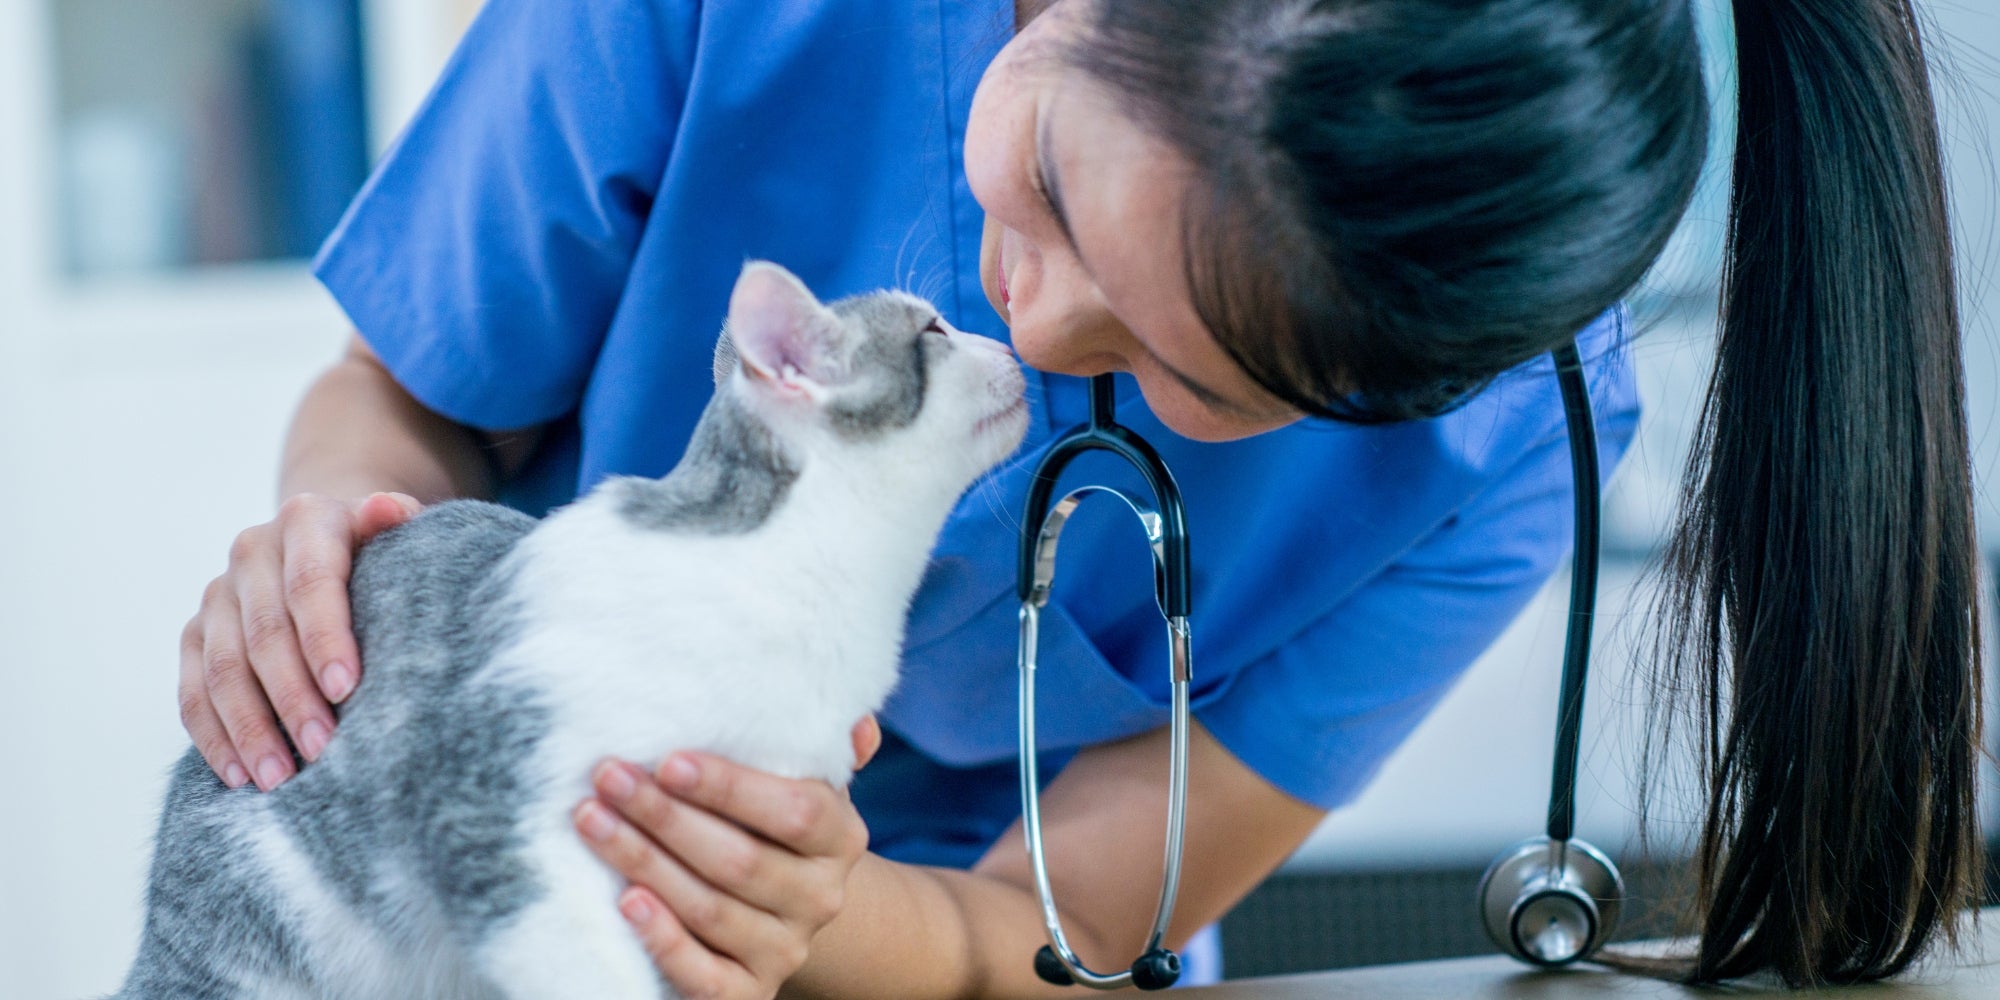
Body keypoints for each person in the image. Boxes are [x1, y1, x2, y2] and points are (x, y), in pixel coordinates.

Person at [175, 0, 1981, 995]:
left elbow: (1064, 927)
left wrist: (803, 916)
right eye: (1043, 173)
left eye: (1195, 382)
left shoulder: (1499, 456)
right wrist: (342, 543)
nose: (1031, 322)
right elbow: (409, 401)